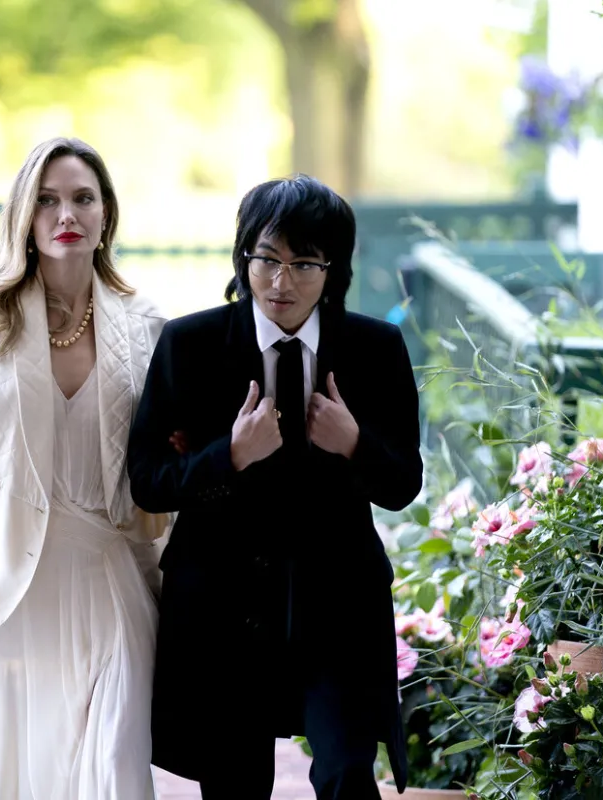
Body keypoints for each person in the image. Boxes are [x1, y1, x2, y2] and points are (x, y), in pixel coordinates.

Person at [0, 137, 172, 800]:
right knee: (9, 776)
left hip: (113, 579)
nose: (64, 212)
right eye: (46, 199)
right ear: (24, 214)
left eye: (81, 198)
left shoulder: (151, 325)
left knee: (113, 771)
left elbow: (168, 465)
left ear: (106, 215)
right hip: (5, 582)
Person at [128, 175, 423, 800]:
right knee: (234, 784)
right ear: (243, 257)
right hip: (222, 608)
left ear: (333, 267)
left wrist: (353, 443)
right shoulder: (190, 344)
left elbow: (402, 485)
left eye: (303, 263)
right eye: (265, 259)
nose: (280, 282)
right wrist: (228, 455)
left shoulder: (375, 347)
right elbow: (148, 482)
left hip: (337, 604)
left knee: (346, 772)